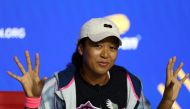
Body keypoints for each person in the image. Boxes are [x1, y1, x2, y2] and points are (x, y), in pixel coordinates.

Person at [8, 18, 189, 109]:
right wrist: (32, 100)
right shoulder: (59, 85)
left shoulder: (128, 82)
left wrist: (167, 100)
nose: (105, 54)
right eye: (97, 45)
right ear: (81, 48)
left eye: (112, 47)